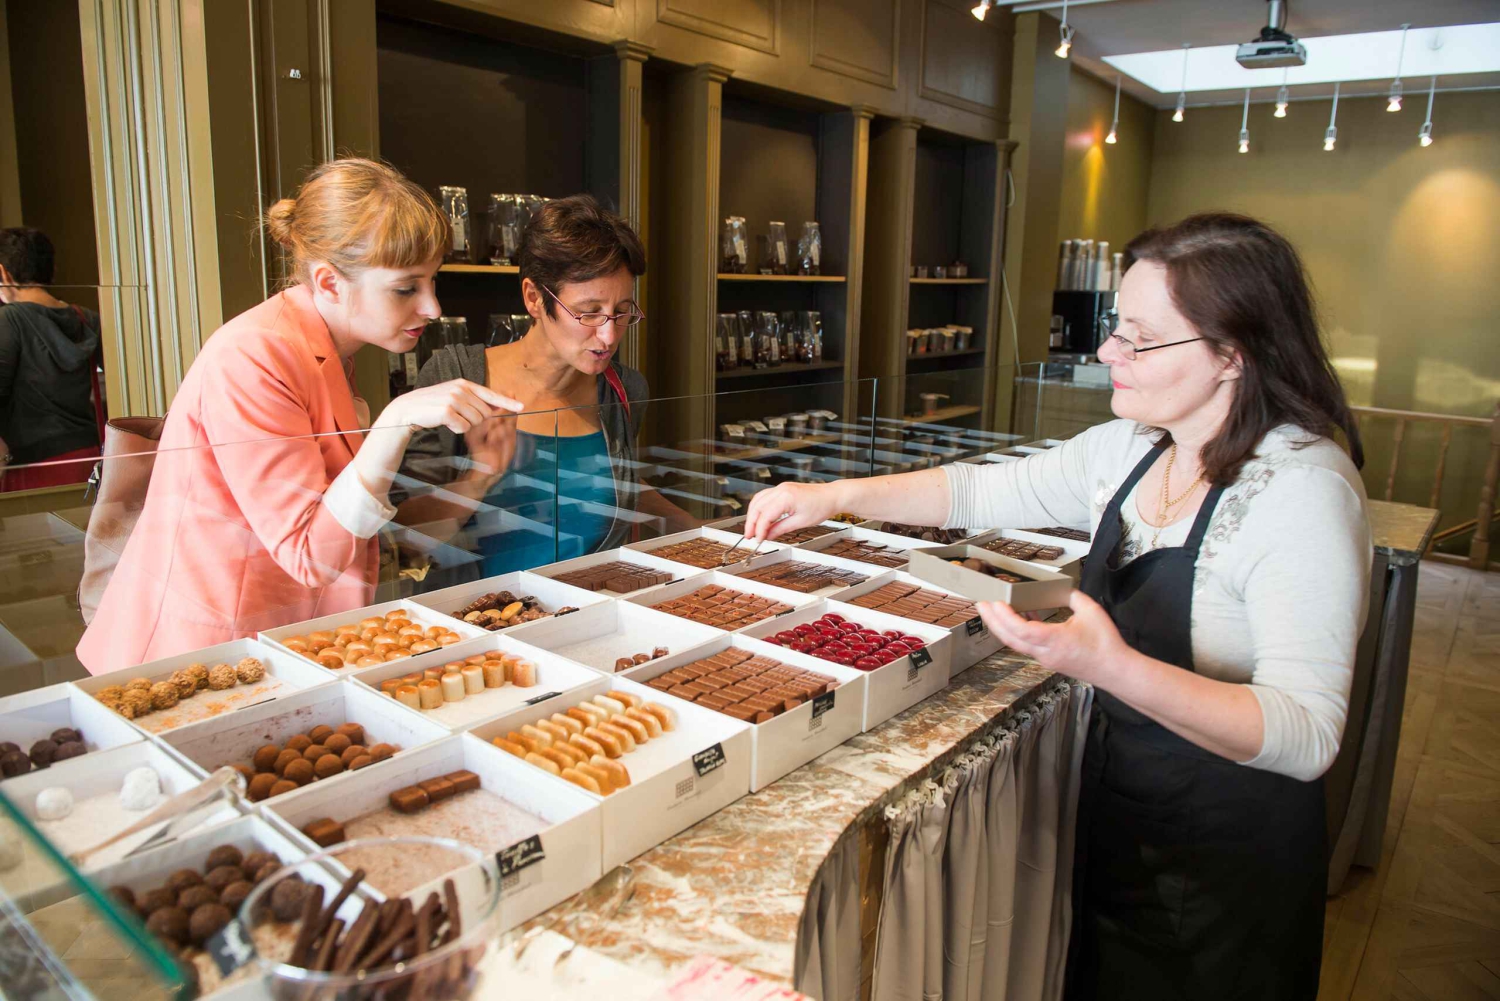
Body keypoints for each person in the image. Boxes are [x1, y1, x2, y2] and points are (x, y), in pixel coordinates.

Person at [744, 213, 1371, 997]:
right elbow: (975, 489)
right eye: (1115, 326)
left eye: (1138, 338)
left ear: (1232, 354)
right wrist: (834, 494)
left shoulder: (1302, 491)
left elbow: (1307, 734)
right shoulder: (1136, 444)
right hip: (1119, 803)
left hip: (1226, 855)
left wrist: (1111, 665)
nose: (1108, 351)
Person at [77, 158, 520, 673]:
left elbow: (356, 538)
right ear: (329, 282)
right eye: (406, 287)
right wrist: (394, 423)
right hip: (201, 658)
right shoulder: (254, 354)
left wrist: (480, 472)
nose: (432, 307)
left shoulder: (324, 349)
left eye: (431, 281)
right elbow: (310, 555)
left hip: (275, 640)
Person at [397, 194, 686, 579]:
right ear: (534, 298)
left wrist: (700, 532)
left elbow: (617, 478)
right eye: (589, 312)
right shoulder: (456, 377)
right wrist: (479, 476)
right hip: (479, 623)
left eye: (621, 312)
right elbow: (407, 540)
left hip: (588, 613)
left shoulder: (624, 389)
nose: (609, 333)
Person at [0, 227, 103, 491]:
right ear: (51, 270)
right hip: (90, 457)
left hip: (33, 465)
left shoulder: (9, 321)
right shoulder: (87, 318)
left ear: (3, 273)